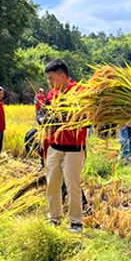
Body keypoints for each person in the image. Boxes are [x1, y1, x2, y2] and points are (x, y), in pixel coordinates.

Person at [44, 60, 87, 233]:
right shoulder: (51, 94)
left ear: (63, 76)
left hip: (74, 148)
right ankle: (54, 217)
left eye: (52, 78)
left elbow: (87, 120)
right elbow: (44, 114)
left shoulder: (80, 93)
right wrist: (43, 121)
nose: (50, 83)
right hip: (54, 146)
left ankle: (76, 222)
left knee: (73, 186)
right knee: (52, 184)